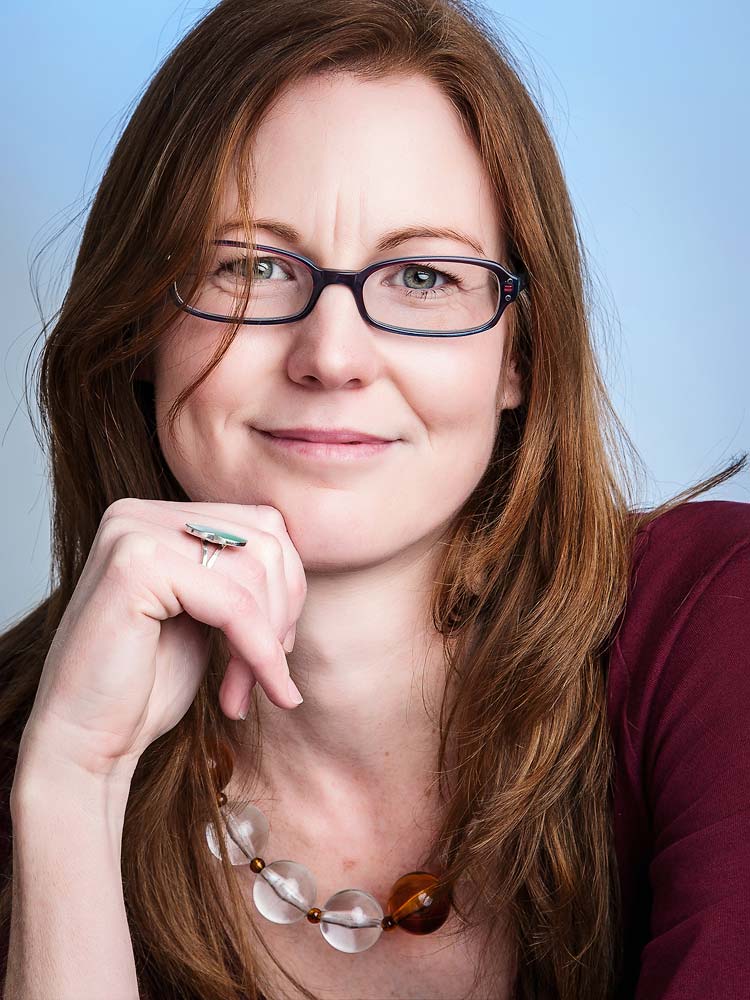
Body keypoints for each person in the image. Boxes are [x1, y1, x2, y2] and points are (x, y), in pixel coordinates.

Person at [0, 1, 748, 998]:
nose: (332, 356)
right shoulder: (28, 744)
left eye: (423, 276)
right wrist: (69, 789)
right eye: (253, 265)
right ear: (143, 324)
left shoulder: (713, 626)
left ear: (518, 352)